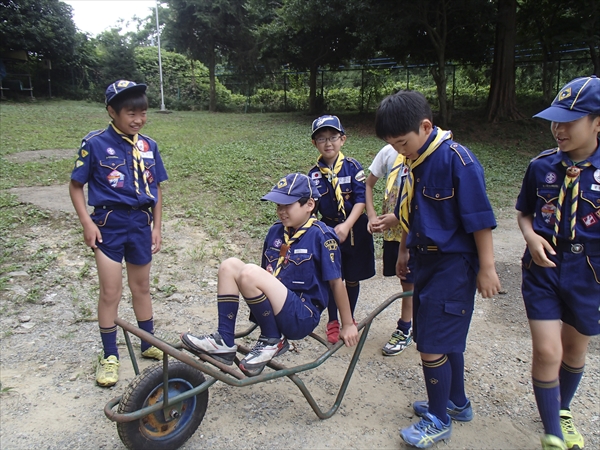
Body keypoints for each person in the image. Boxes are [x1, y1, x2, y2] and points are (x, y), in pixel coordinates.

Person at [375, 90, 501, 448]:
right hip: (425, 260)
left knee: (430, 343)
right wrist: (403, 248)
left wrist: (487, 268)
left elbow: (479, 221)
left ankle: (438, 419)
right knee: (446, 340)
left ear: (426, 126)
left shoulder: (456, 160)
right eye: (392, 145)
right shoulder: (415, 162)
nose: (399, 150)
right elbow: (419, 215)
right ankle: (455, 402)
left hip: (454, 265)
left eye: (402, 142)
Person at [180, 173, 359, 377]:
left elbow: (337, 283)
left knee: (249, 273)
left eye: (287, 205)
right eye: (278, 206)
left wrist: (347, 324)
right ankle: (224, 340)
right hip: (274, 308)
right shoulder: (276, 232)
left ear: (309, 204)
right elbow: (267, 273)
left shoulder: (322, 236)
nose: (281, 212)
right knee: (228, 266)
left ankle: (272, 339)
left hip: (301, 315)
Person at [516, 75, 600, 450]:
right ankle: (552, 432)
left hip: (590, 272)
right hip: (544, 266)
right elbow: (524, 214)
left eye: (569, 120)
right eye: (555, 119)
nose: (558, 128)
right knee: (548, 350)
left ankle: (562, 410)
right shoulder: (541, 167)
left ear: (597, 122)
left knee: (575, 348)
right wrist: (532, 238)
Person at [69, 80, 168, 387]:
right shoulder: (95, 143)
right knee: (110, 291)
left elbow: (156, 189)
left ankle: (147, 341)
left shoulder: (148, 146)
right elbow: (76, 186)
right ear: (112, 111)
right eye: (130, 113)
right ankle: (110, 355)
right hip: (108, 225)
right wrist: (87, 222)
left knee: (142, 287)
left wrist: (156, 226)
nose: (138, 119)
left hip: (139, 223)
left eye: (143, 112)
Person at [307, 115, 376, 344]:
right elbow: (311, 208)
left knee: (352, 278)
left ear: (342, 139)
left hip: (354, 230)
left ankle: (351, 318)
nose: (328, 143)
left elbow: (360, 200)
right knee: (332, 277)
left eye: (333, 137)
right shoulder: (313, 175)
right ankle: (333, 320)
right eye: (322, 138)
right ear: (314, 143)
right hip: (328, 231)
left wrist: (346, 225)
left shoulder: (353, 167)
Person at [365, 144, 414, 356]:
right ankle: (409, 326)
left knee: (416, 277)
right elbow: (369, 185)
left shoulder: (426, 150)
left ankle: (406, 326)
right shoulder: (388, 152)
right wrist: (372, 215)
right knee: (406, 278)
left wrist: (399, 217)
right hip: (394, 232)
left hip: (417, 227)